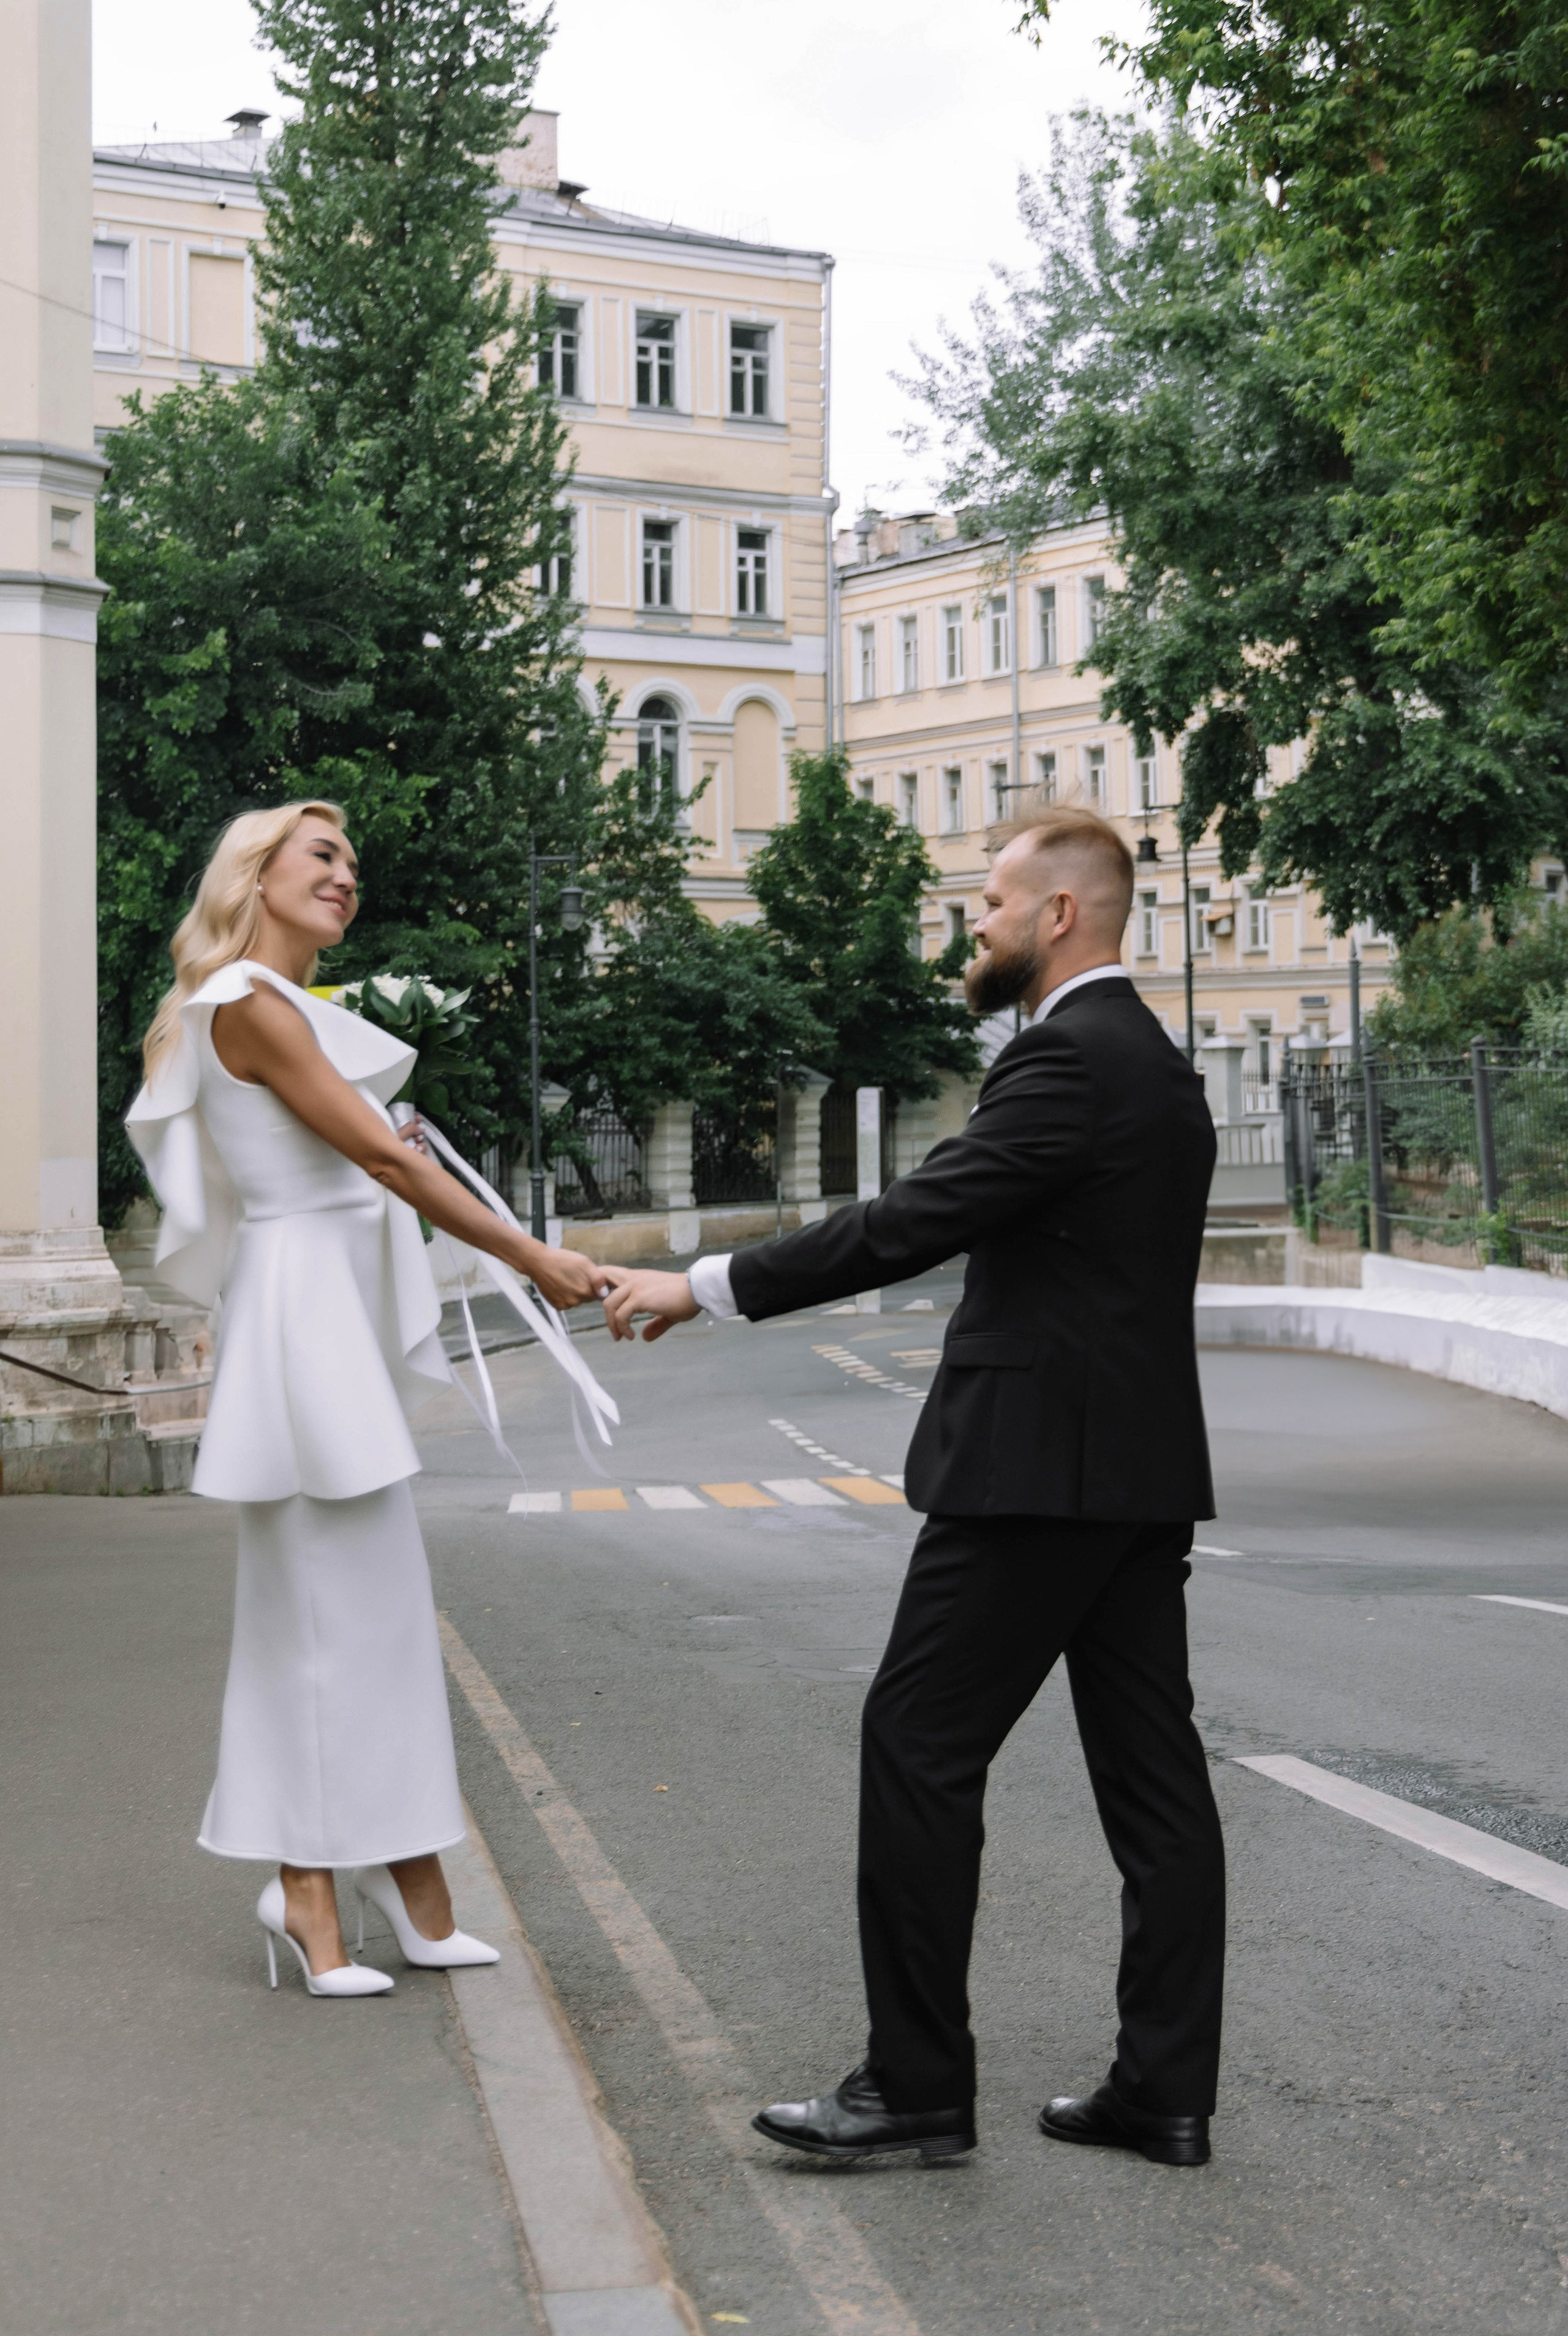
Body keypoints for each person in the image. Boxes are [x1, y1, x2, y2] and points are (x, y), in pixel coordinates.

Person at [599, 803, 1226, 2165]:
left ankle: (916, 2084)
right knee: (1154, 1784)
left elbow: (914, 1218)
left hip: (1031, 1473)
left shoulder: (1066, 1059)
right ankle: (1163, 2089)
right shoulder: (1159, 1067)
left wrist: (706, 1284)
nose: (974, 926)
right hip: (1135, 1473)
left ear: (1059, 913)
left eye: (989, 903)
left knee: (917, 1743)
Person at [127, 801, 605, 1997]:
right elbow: (384, 1162)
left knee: (371, 1616)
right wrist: (533, 1258)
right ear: (256, 875)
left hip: (316, 1312)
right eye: (322, 856)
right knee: (317, 1621)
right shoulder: (247, 1002)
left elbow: (375, 1158)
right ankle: (306, 1888)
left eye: (352, 861)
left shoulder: (284, 1006)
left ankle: (407, 1875)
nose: (346, 875)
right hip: (302, 1325)